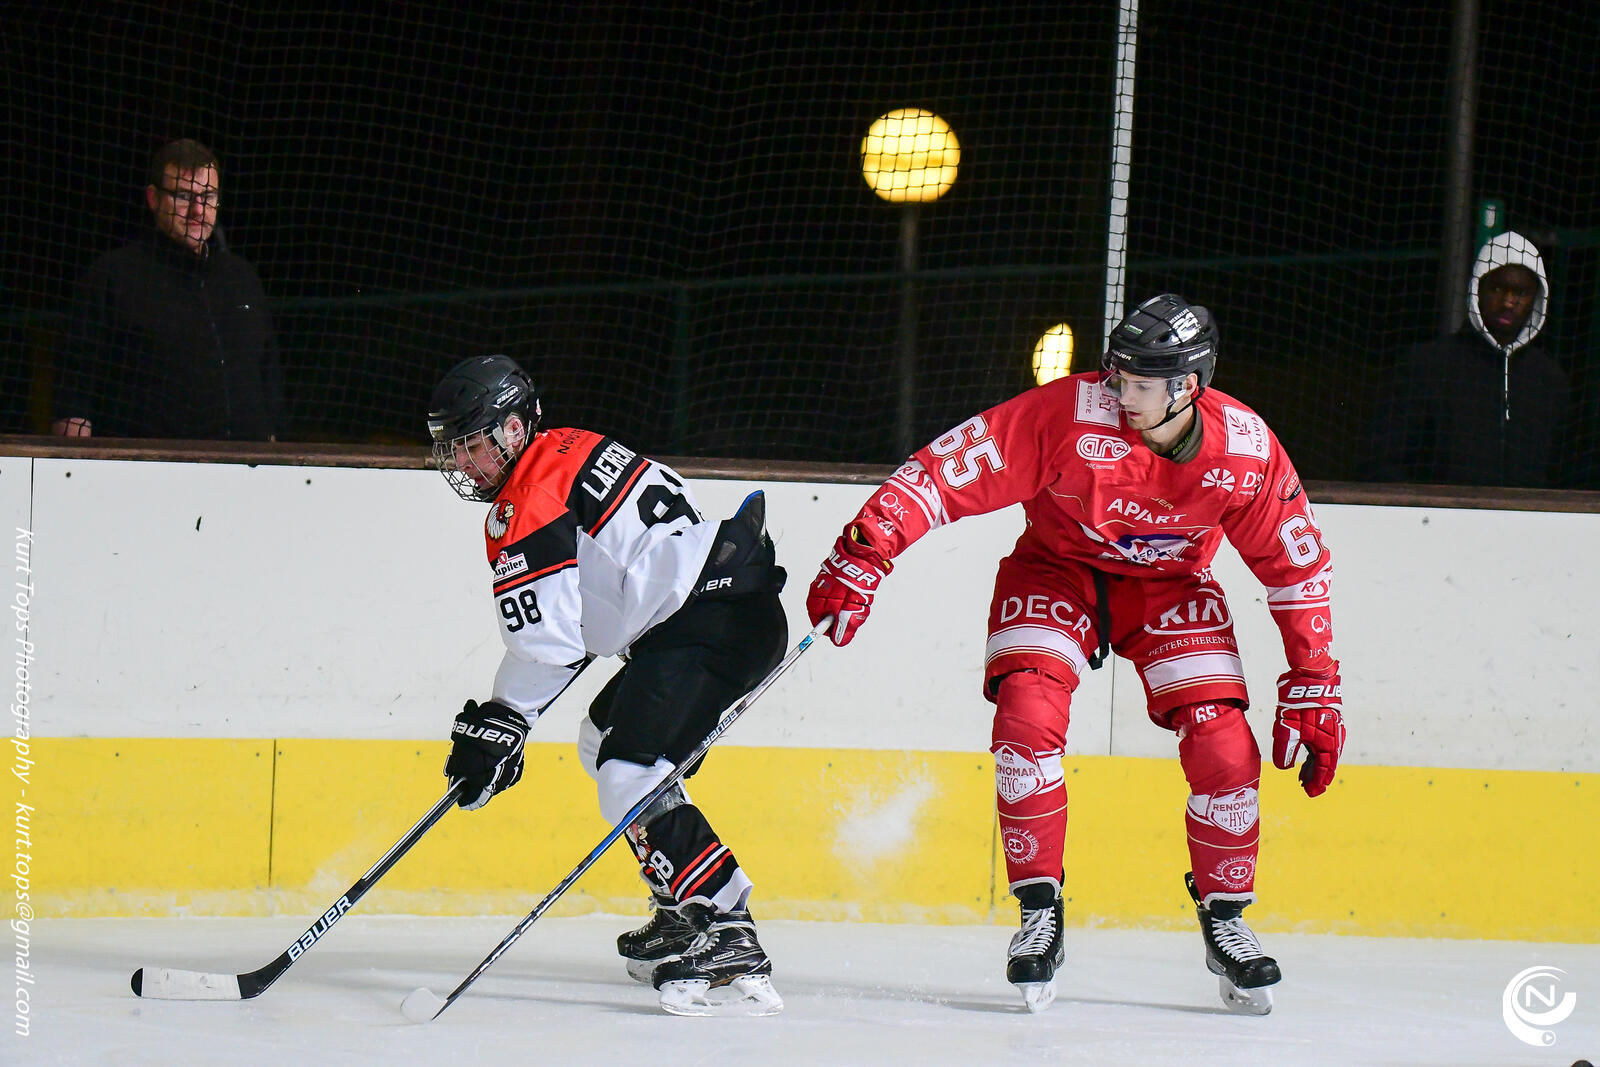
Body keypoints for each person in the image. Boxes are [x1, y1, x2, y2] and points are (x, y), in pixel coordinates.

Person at [806, 294, 1345, 1015]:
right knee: (1026, 718)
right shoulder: (1069, 412)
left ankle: (1227, 919)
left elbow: (1296, 565)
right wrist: (867, 549)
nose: (1121, 393)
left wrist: (1314, 676)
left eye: (1140, 384)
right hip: (1054, 570)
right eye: (1117, 375)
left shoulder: (1245, 449)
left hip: (1169, 587)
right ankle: (1039, 909)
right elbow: (944, 471)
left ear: (1188, 386)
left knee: (1224, 746)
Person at [427, 354, 789, 1017]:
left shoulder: (525, 500)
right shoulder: (571, 446)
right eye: (452, 448)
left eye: (471, 444)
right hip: (724, 610)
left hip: (706, 622)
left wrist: (503, 721)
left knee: (630, 770)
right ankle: (683, 908)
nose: (461, 462)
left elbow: (551, 643)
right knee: (603, 741)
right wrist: (509, 717)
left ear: (512, 429)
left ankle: (727, 926)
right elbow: (584, 618)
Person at [52, 138, 283, 440]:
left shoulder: (241, 278)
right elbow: (74, 389)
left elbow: (269, 380)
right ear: (153, 198)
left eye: (208, 196)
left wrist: (274, 448)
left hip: (247, 464)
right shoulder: (113, 277)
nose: (198, 211)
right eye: (184, 196)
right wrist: (71, 461)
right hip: (147, 464)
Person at [1370, 230, 1563, 487]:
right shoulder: (1427, 365)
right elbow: (1385, 462)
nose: (1508, 302)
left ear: (1536, 299)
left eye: (1520, 293)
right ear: (1477, 289)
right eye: (1497, 288)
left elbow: (1565, 470)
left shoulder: (1548, 378)